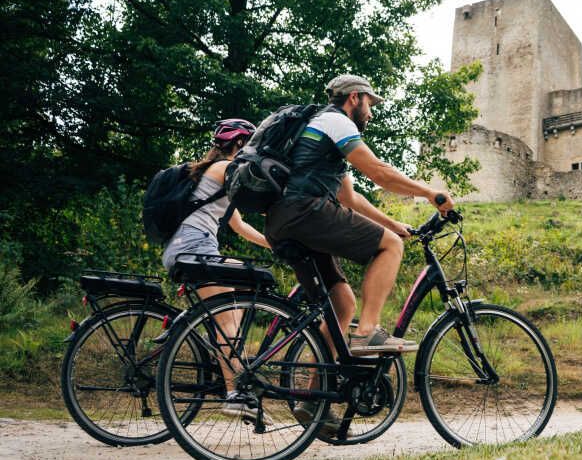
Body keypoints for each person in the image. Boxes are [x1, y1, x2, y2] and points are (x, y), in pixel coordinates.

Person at [263, 74, 453, 429]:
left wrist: (394, 224)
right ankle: (368, 331)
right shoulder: (336, 121)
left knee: (341, 304)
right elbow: (380, 173)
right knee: (389, 248)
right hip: (307, 212)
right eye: (370, 103)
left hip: (283, 223)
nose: (371, 112)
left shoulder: (319, 131)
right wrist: (431, 194)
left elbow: (350, 198)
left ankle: (312, 401)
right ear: (355, 98)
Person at [161, 118, 271, 418]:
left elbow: (238, 224)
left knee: (237, 299)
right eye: (250, 145)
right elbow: (259, 195)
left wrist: (273, 244)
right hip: (195, 249)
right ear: (239, 144)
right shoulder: (225, 169)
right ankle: (234, 393)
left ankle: (223, 359)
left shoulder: (210, 173)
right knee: (229, 321)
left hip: (187, 248)